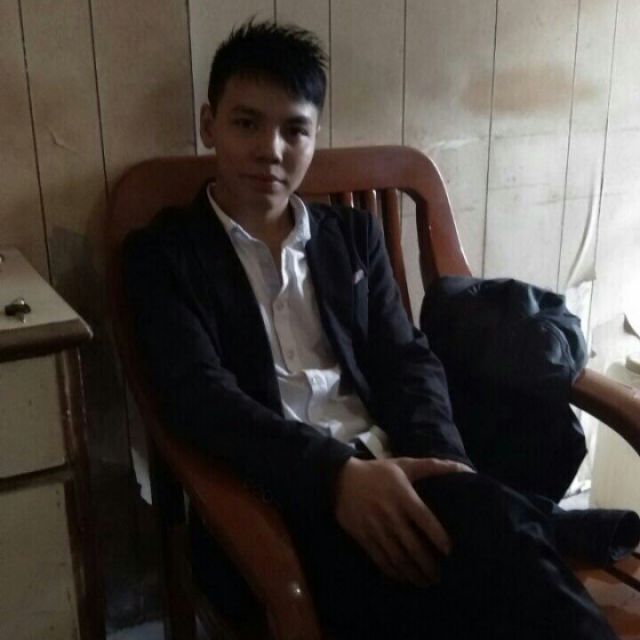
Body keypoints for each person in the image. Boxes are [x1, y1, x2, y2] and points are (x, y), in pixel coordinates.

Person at [124, 21, 618, 638]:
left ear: (314, 136)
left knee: (488, 543)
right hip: (273, 499)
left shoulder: (351, 238)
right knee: (495, 558)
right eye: (247, 123)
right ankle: (539, 520)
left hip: (393, 466)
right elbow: (199, 400)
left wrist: (440, 463)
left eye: (294, 129)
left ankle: (515, 516)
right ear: (209, 125)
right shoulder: (164, 256)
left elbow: (406, 359)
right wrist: (335, 478)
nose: (271, 150)